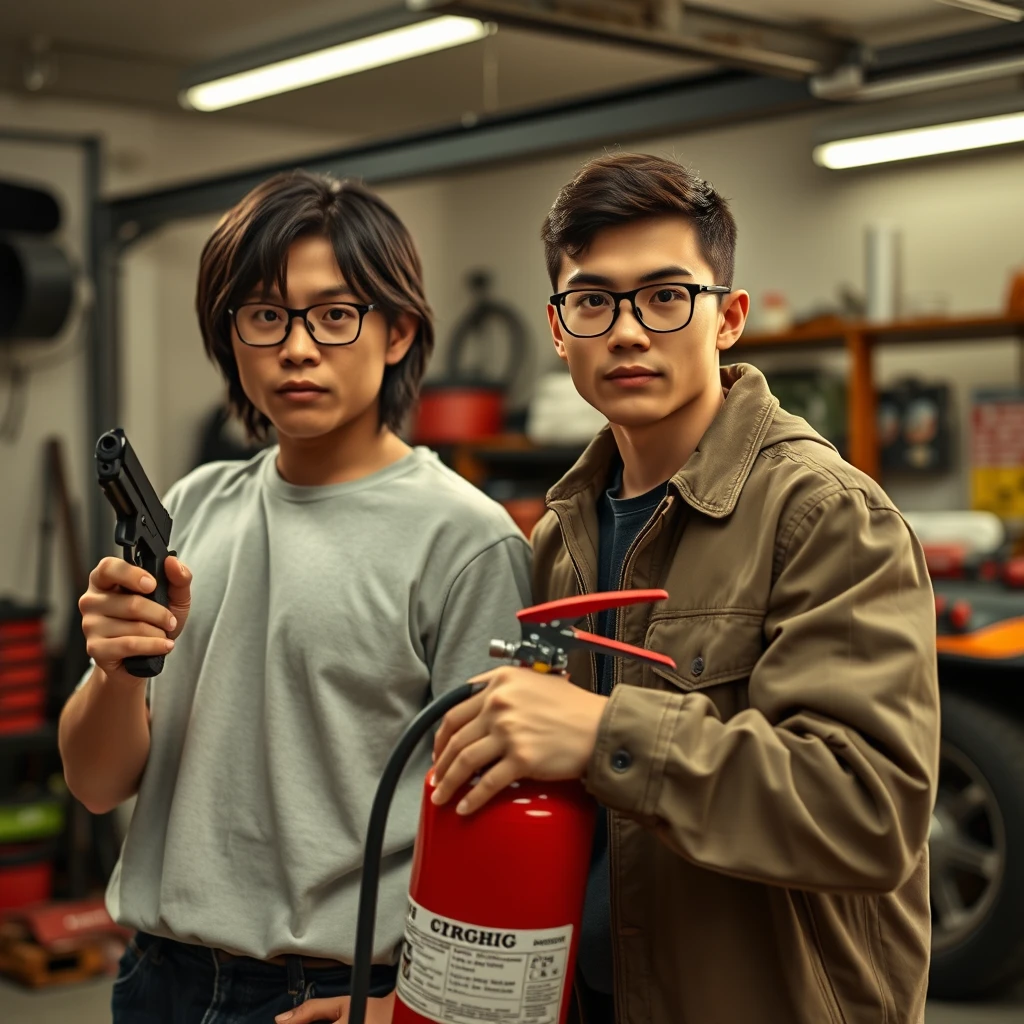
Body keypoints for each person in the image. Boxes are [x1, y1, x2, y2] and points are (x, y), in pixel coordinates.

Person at [431, 153, 939, 1024]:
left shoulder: (822, 514)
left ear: (729, 318)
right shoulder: (562, 535)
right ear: (559, 331)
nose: (627, 331)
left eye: (666, 296)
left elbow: (869, 809)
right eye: (593, 301)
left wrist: (606, 734)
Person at [60, 170, 532, 1024]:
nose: (298, 347)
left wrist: (405, 1007)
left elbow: (493, 819)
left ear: (398, 333)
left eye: (336, 314)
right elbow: (96, 785)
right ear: (232, 336)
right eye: (266, 316)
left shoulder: (465, 540)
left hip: (332, 992)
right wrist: (117, 670)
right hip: (155, 978)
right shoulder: (193, 505)